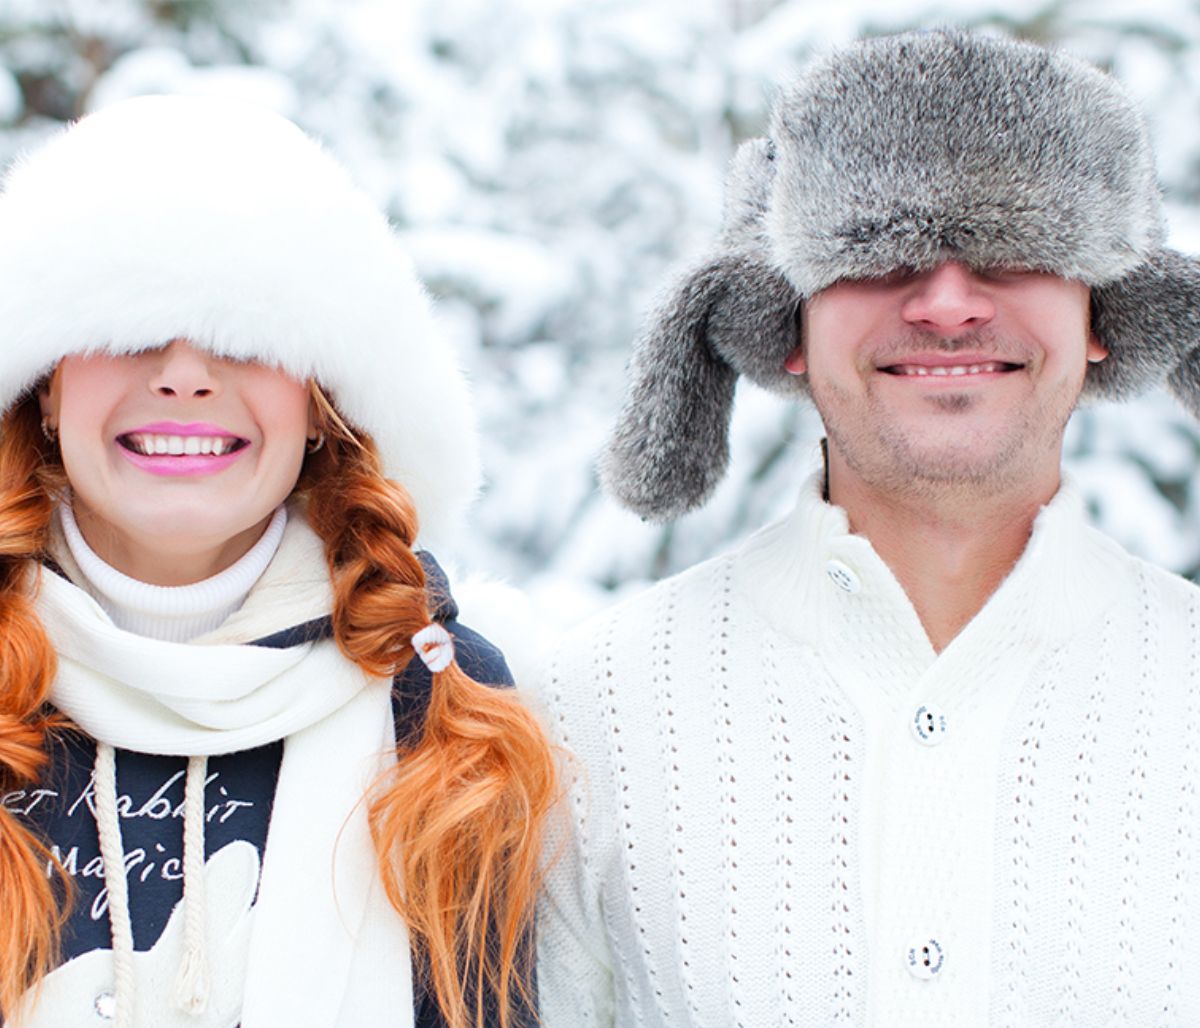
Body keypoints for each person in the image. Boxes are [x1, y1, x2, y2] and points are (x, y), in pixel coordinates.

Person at [533, 29, 1200, 1025]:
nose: (945, 303)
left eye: (1016, 249)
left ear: (1101, 313)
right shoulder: (585, 711)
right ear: (786, 322)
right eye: (876, 253)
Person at [0, 96, 556, 1028]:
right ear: (46, 390)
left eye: (244, 337)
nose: (183, 375)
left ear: (318, 407)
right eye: (128, 330)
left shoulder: (440, 702)